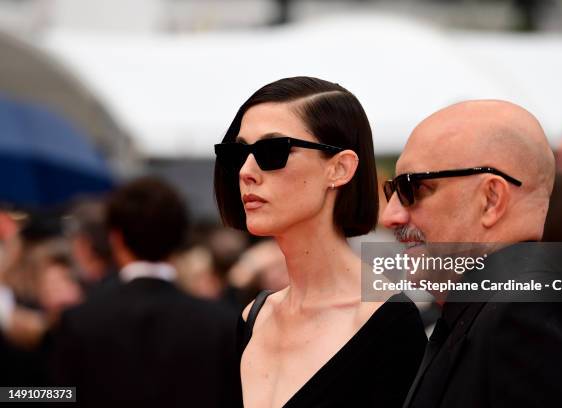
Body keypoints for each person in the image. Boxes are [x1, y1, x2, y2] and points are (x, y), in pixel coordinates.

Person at [380, 100, 562, 407]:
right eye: (390, 191)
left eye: (412, 188)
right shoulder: (497, 306)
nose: (390, 216)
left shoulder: (527, 313)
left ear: (491, 199)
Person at [214, 76, 426, 408]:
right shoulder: (255, 317)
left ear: (340, 168)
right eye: (238, 153)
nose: (246, 170)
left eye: (273, 151)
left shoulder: (388, 323)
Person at [50, 177, 241, 407]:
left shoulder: (79, 321)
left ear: (116, 239)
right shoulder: (222, 324)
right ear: (179, 238)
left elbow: (57, 394)